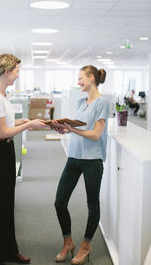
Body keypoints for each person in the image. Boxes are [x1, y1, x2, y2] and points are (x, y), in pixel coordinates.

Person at [0, 54, 46, 265]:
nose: (18, 75)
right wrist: (28, 125)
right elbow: (1, 132)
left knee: (8, 202)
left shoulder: (1, 95)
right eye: (17, 71)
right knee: (1, 203)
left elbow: (5, 124)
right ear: (7, 71)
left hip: (5, 149)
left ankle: (9, 250)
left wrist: (22, 120)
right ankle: (1, 253)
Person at [51, 65, 110, 265]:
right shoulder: (80, 101)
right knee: (59, 202)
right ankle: (68, 242)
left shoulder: (102, 103)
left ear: (92, 78)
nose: (78, 82)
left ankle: (86, 245)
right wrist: (64, 129)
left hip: (92, 160)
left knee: (92, 205)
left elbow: (95, 135)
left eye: (80, 78)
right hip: (74, 157)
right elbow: (79, 127)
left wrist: (72, 130)